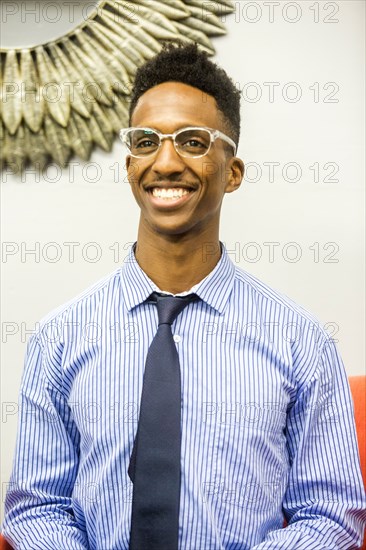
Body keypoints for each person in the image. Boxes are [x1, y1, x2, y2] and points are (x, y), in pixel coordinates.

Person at [2, 43, 365, 549]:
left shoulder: (300, 341)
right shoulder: (59, 338)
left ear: (232, 171)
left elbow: (330, 516)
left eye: (193, 142)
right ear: (130, 165)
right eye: (147, 141)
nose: (166, 162)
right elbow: (36, 508)